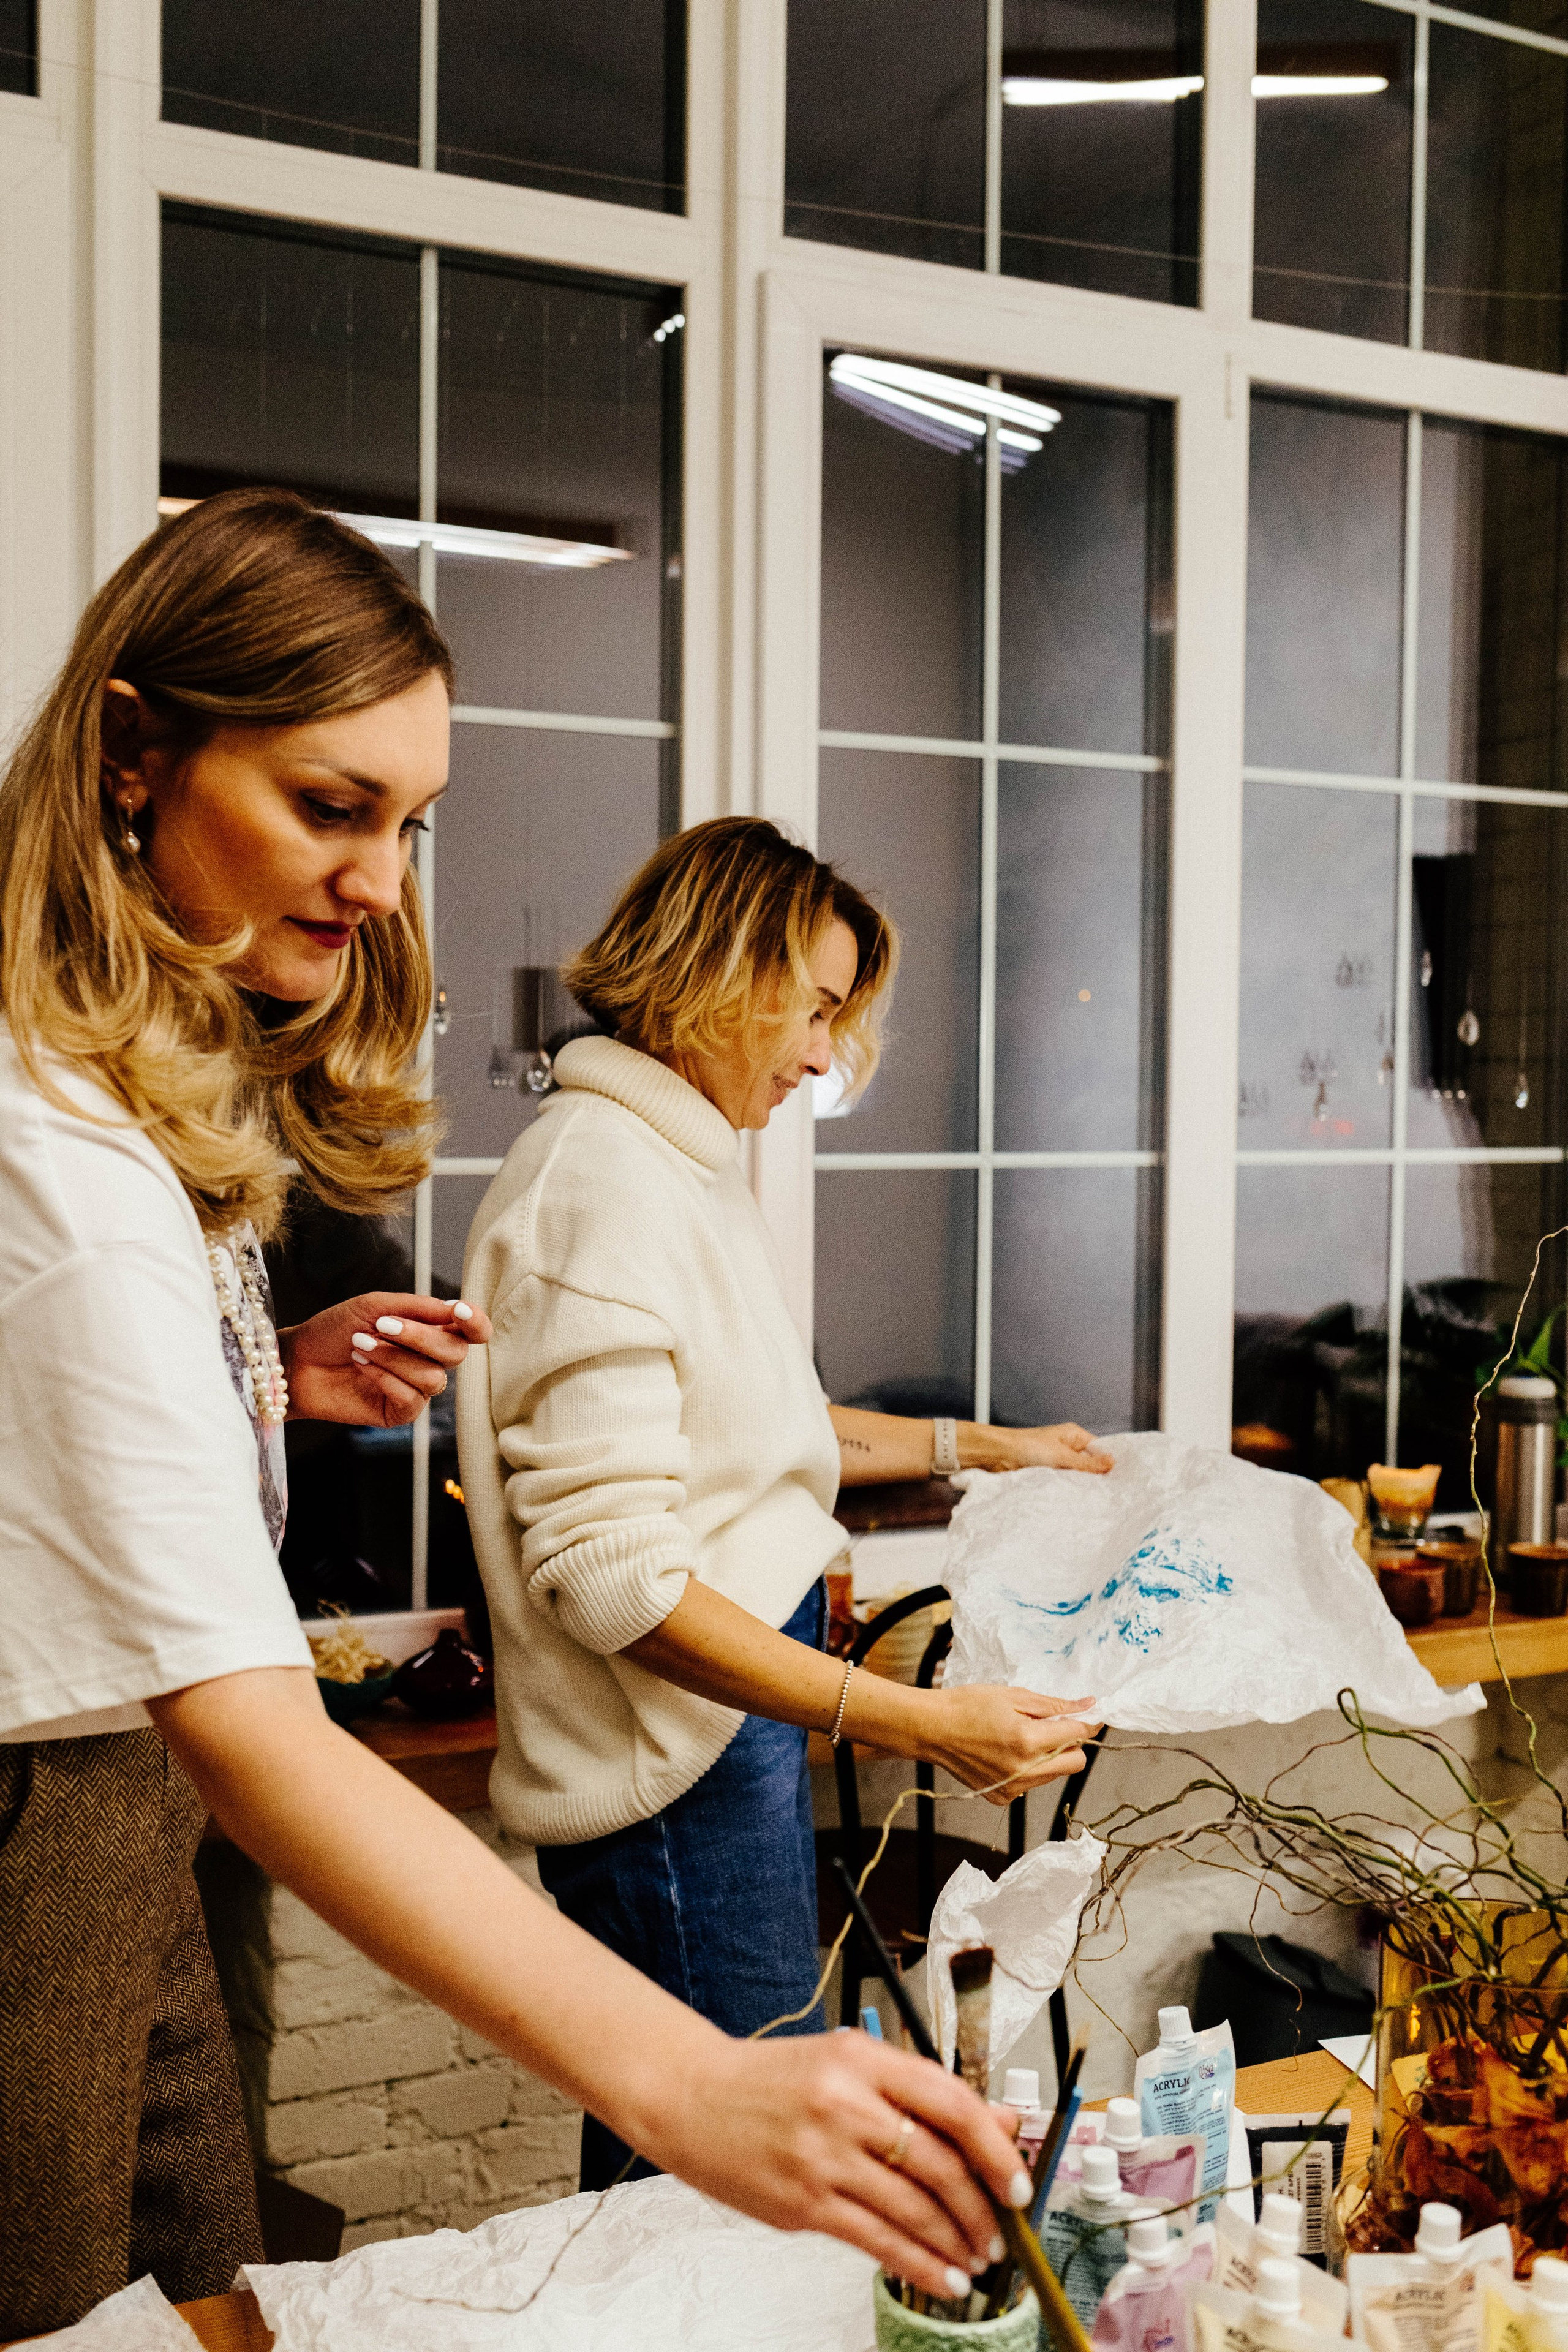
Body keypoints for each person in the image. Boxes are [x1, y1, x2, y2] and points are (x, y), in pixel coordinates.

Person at [0, 496, 1030, 2336]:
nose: (387, 884)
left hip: (129, 1807)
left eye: (412, 825)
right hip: (68, 1808)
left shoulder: (127, 1115)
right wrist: (690, 2081)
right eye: (333, 808)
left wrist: (266, 1374)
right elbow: (258, 1728)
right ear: (134, 757)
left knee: (199, 2298)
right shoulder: (60, 1168)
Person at [457, 816, 1109, 2192]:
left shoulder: (676, 1164)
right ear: (708, 972)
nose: (821, 1057)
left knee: (689, 2175)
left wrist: (983, 1444)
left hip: (718, 1745)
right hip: (672, 1778)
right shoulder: (602, 1184)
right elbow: (618, 1582)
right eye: (811, 1011)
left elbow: (756, 1426)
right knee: (714, 2201)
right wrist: (925, 1722)